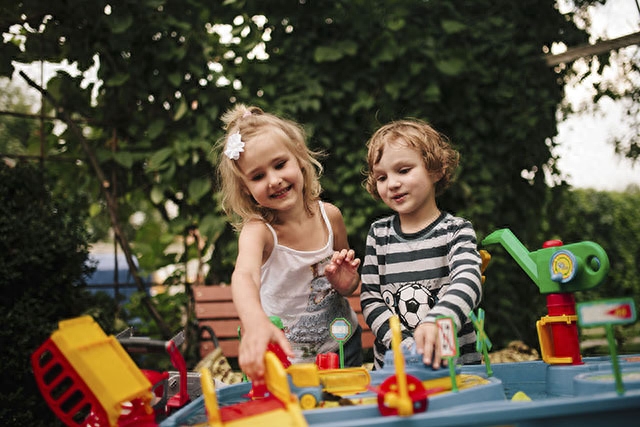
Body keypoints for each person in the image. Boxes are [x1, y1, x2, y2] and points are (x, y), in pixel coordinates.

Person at [216, 104, 362, 382]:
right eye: (258, 176)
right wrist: (254, 321)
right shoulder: (259, 231)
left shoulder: (331, 217)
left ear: (298, 156)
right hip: (285, 362)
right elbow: (245, 275)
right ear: (245, 187)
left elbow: (347, 284)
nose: (274, 180)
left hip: (342, 349)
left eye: (280, 164)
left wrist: (347, 284)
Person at [360, 118, 483, 370]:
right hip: (394, 371)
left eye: (403, 170)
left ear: (435, 170)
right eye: (381, 177)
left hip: (456, 369)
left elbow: (468, 280)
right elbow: (371, 298)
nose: (392, 183)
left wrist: (438, 320)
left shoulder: (455, 230)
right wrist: (401, 342)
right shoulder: (378, 234)